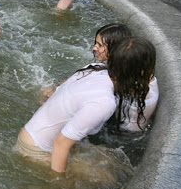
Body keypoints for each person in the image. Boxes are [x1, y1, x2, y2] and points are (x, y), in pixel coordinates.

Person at [17, 36, 156, 174]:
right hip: (36, 150)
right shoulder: (104, 102)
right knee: (107, 177)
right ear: (140, 73)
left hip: (32, 134)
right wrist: (59, 183)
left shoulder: (95, 69)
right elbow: (61, 143)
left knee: (113, 161)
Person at [91, 24, 159, 132]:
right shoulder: (133, 74)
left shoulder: (145, 92)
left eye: (100, 45)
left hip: (123, 133)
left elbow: (132, 128)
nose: (94, 48)